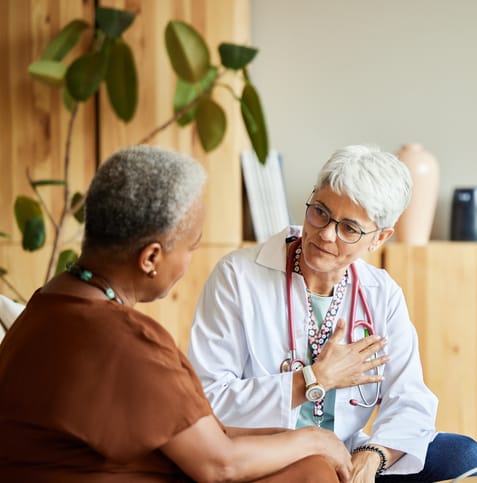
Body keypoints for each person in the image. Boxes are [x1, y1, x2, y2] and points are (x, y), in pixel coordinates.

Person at [0, 145, 351, 482]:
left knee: (306, 464)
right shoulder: (128, 341)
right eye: (191, 247)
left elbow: (198, 428)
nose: (189, 261)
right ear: (151, 258)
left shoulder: (45, 304)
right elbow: (218, 465)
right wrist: (313, 439)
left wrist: (296, 441)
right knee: (313, 471)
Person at [188, 145, 477, 482]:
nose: (326, 234)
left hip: (344, 458)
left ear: (379, 238)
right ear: (312, 198)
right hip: (269, 459)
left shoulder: (381, 293)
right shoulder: (238, 277)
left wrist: (374, 455)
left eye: (349, 229)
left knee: (463, 456)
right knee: (315, 471)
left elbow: (411, 400)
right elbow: (207, 400)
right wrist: (312, 380)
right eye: (320, 212)